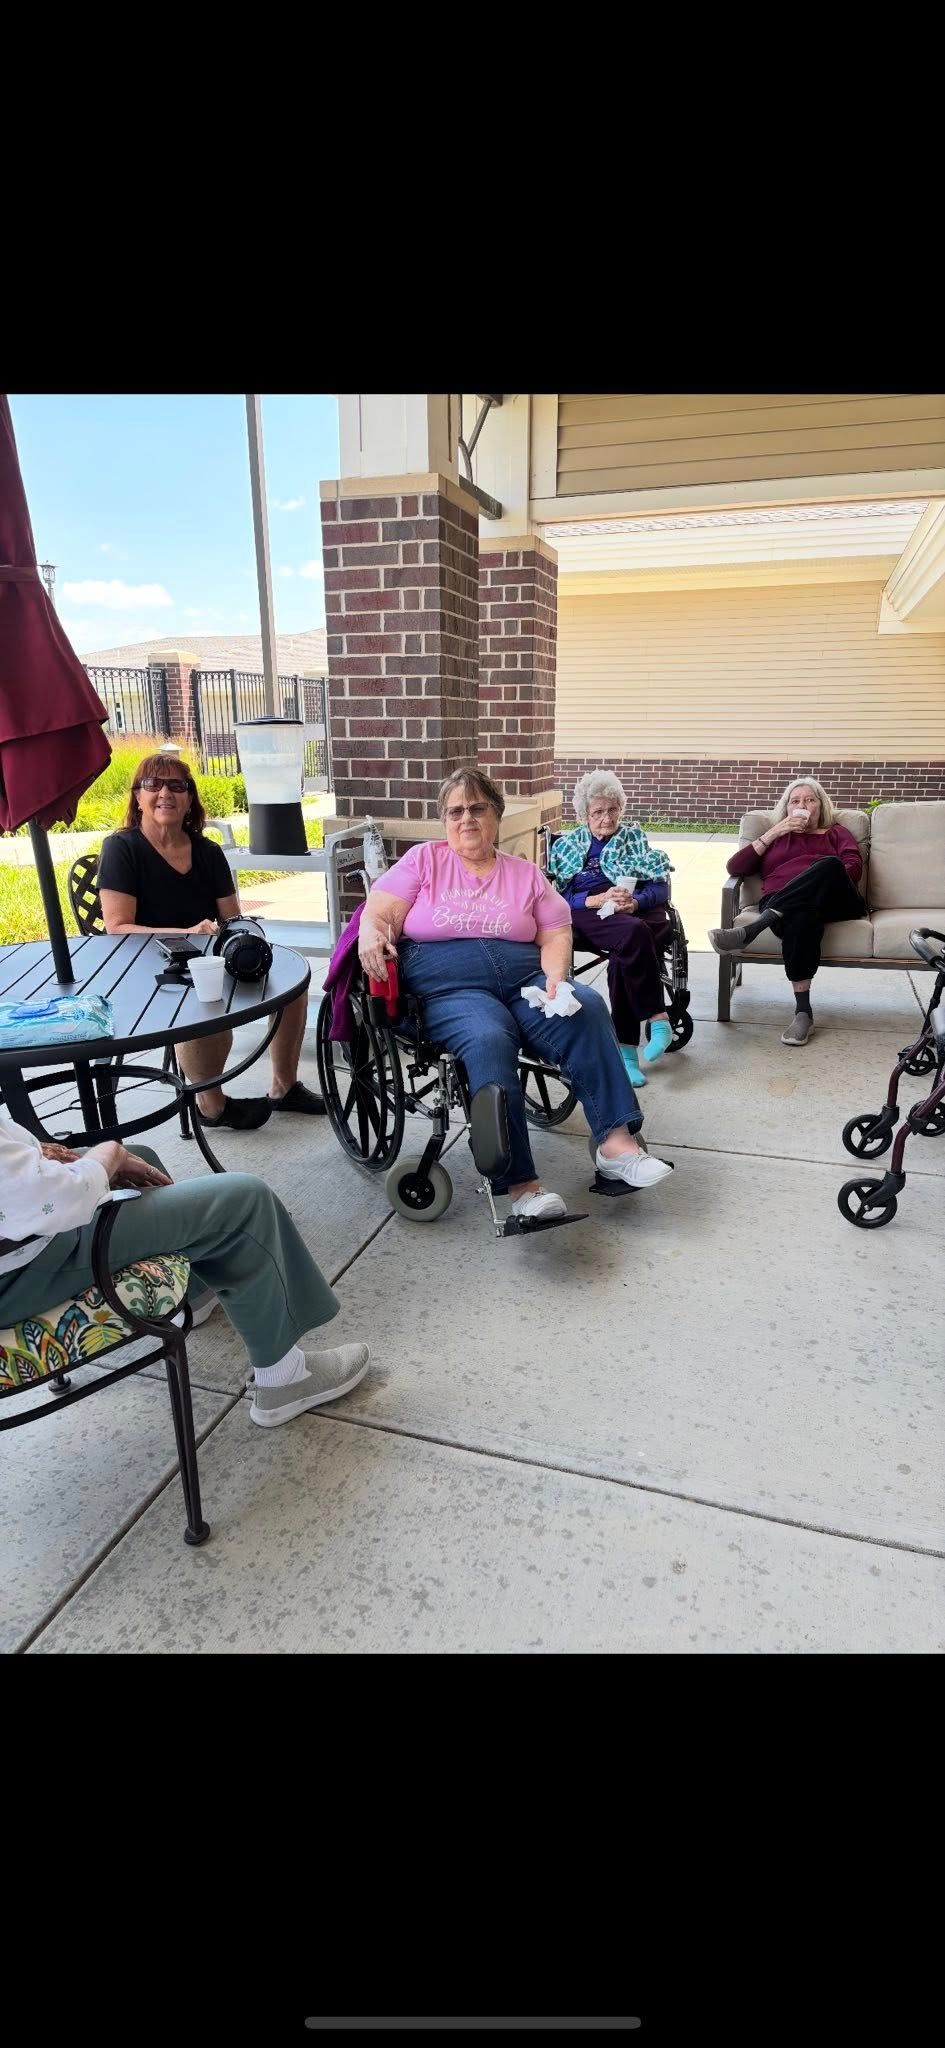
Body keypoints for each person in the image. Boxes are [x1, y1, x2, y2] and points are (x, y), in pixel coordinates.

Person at [357, 764, 674, 1222]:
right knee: (488, 1038)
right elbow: (380, 913)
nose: (466, 819)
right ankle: (521, 1186)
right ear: (445, 820)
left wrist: (555, 979)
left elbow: (556, 931)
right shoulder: (425, 861)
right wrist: (370, 933)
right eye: (455, 811)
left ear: (497, 815)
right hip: (451, 986)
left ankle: (615, 1143)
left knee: (585, 1006)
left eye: (477, 808)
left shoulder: (525, 874)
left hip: (525, 978)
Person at [0, 1116, 369, 1428]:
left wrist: (39, 1155)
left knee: (142, 1160)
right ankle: (285, 1377)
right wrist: (107, 1154)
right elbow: (58, 1198)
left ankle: (194, 1294)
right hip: (24, 1271)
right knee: (245, 1200)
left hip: (18, 1252)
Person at [97, 751, 324, 1130]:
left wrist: (241, 939)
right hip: (146, 963)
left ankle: (284, 1086)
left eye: (177, 786)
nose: (165, 793)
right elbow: (118, 927)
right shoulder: (122, 848)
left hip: (210, 954)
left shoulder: (207, 851)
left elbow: (231, 918)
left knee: (291, 982)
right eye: (153, 785)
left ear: (190, 799)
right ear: (138, 797)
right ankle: (211, 1105)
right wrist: (187, 934)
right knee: (205, 997)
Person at [707, 777, 865, 1045]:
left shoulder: (835, 832)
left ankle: (753, 929)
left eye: (809, 799)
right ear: (787, 808)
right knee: (800, 917)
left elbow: (853, 865)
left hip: (834, 899)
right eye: (795, 801)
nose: (802, 805)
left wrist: (817, 880)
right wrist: (773, 833)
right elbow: (735, 868)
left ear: (820, 805)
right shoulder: (776, 837)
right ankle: (803, 1013)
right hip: (786, 905)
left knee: (829, 865)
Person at [547, 770, 675, 1088]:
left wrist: (635, 902)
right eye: (598, 812)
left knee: (625, 953)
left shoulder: (634, 839)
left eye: (612, 810)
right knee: (632, 935)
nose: (606, 818)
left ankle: (626, 1054)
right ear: (584, 815)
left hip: (634, 910)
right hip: (589, 911)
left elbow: (660, 889)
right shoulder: (568, 847)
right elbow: (559, 897)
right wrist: (594, 899)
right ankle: (658, 1017)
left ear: (621, 808)